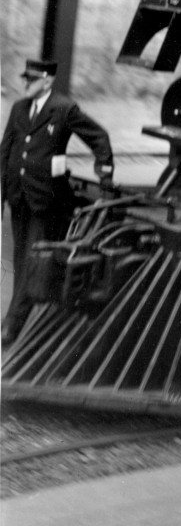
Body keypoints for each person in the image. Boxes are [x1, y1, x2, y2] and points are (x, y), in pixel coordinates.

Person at [0, 58, 114, 344]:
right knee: (21, 260)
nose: (26, 83)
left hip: (45, 199)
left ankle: (12, 325)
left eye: (32, 79)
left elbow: (99, 137)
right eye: (25, 78)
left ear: (48, 81)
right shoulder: (19, 109)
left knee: (32, 261)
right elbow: (4, 154)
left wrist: (105, 172)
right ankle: (15, 314)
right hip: (20, 197)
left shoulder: (63, 109)